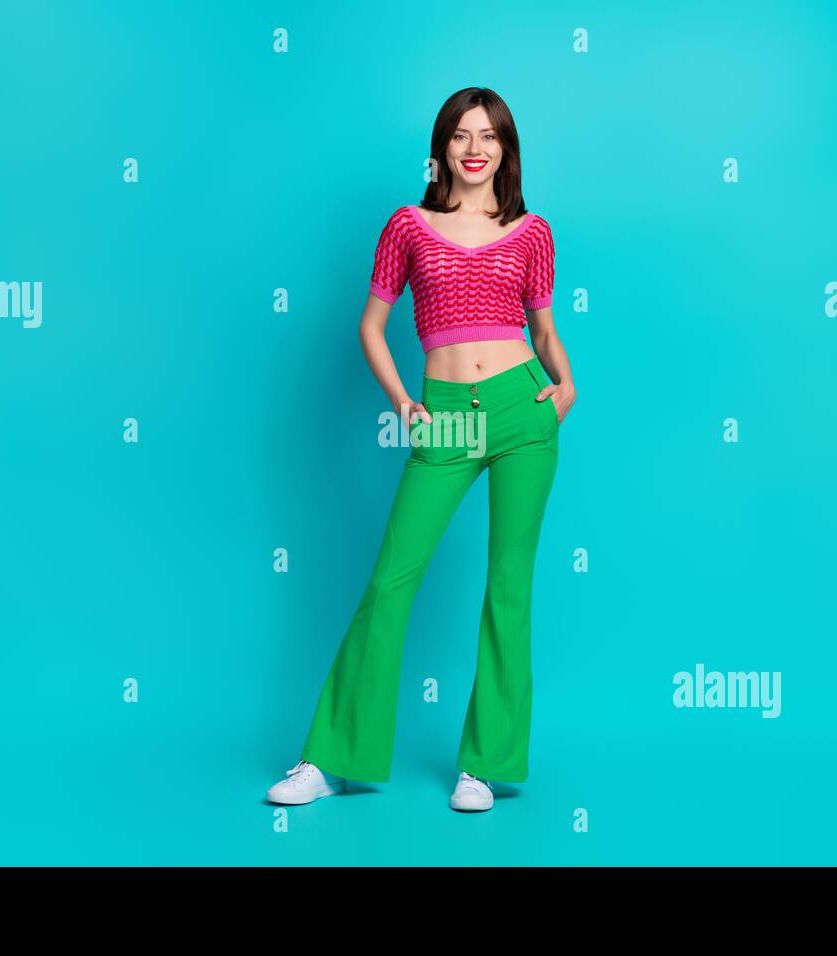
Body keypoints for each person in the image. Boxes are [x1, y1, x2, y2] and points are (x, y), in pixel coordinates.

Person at [267, 87, 575, 812]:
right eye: (462, 135)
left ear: (506, 149)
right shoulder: (408, 226)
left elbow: (544, 329)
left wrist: (566, 386)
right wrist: (406, 404)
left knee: (509, 587)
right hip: (445, 418)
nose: (476, 148)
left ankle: (485, 764)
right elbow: (373, 326)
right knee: (391, 582)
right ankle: (329, 757)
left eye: (490, 136)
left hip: (522, 412)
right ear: (441, 150)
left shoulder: (533, 232)